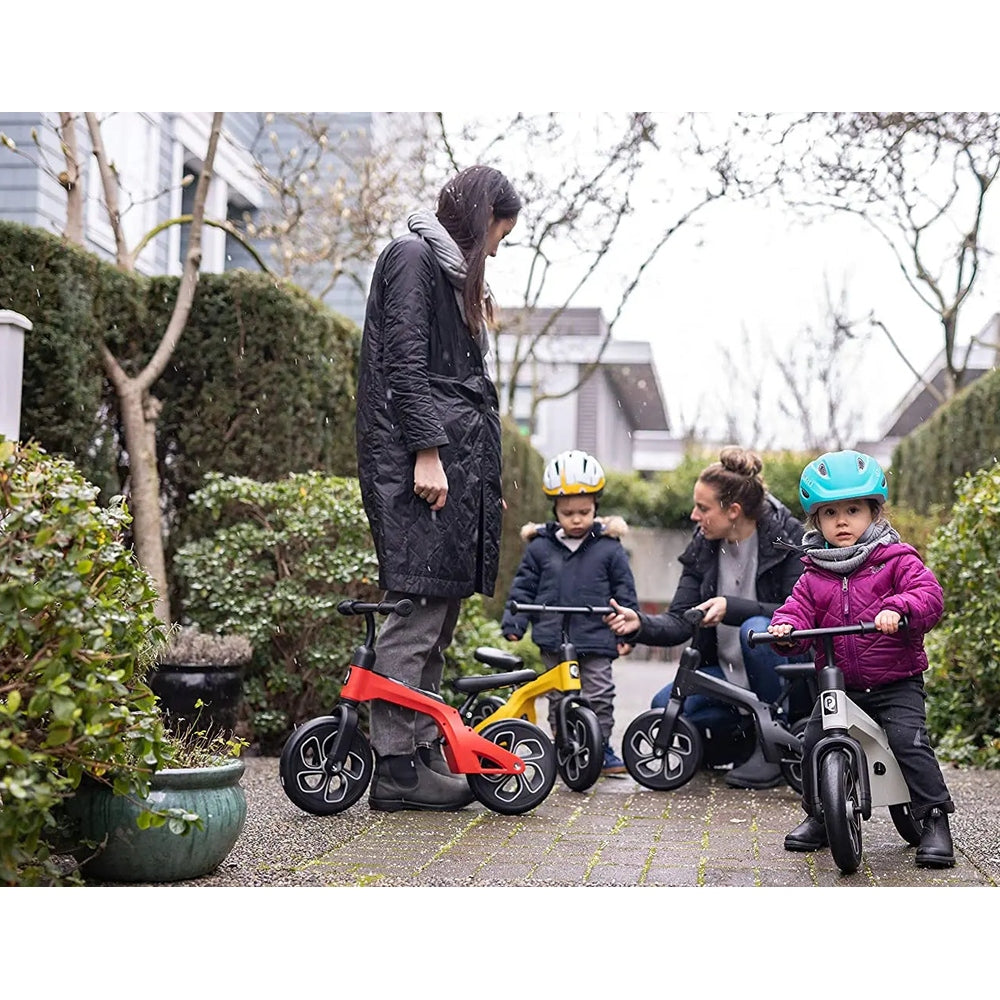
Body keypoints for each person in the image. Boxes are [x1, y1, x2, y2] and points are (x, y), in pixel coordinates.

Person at [354, 164, 521, 812]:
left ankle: (421, 749)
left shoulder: (449, 276)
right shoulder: (413, 257)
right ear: (481, 221)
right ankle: (395, 768)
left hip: (449, 465)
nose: (499, 248)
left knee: (440, 614)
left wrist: (484, 479)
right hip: (415, 462)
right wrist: (426, 452)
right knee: (416, 612)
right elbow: (403, 362)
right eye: (499, 233)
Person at [767, 449, 955, 867]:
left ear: (874, 511)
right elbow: (796, 610)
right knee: (813, 741)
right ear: (816, 520)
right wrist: (785, 629)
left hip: (895, 681)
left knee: (909, 742)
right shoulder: (814, 573)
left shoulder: (895, 559)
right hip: (840, 685)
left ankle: (935, 818)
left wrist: (900, 608)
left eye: (853, 510)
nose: (842, 521)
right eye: (830, 512)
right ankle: (821, 815)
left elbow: (929, 596)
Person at [604, 445, 809, 788]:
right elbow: (682, 619)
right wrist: (639, 624)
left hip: (784, 678)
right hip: (727, 675)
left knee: (756, 630)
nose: (693, 516)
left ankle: (775, 743)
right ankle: (746, 745)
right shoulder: (704, 546)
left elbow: (804, 613)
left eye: (702, 508)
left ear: (733, 510)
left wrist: (734, 607)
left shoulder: (787, 540)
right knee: (664, 706)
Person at [501, 450, 638, 776]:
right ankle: (564, 746)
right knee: (559, 696)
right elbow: (523, 588)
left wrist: (627, 631)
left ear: (596, 507)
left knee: (599, 694)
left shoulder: (609, 547)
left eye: (584, 511)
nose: (576, 519)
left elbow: (625, 594)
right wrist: (515, 622)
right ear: (555, 510)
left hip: (596, 636)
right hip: (554, 636)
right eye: (568, 513)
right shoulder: (540, 547)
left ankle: (599, 747)